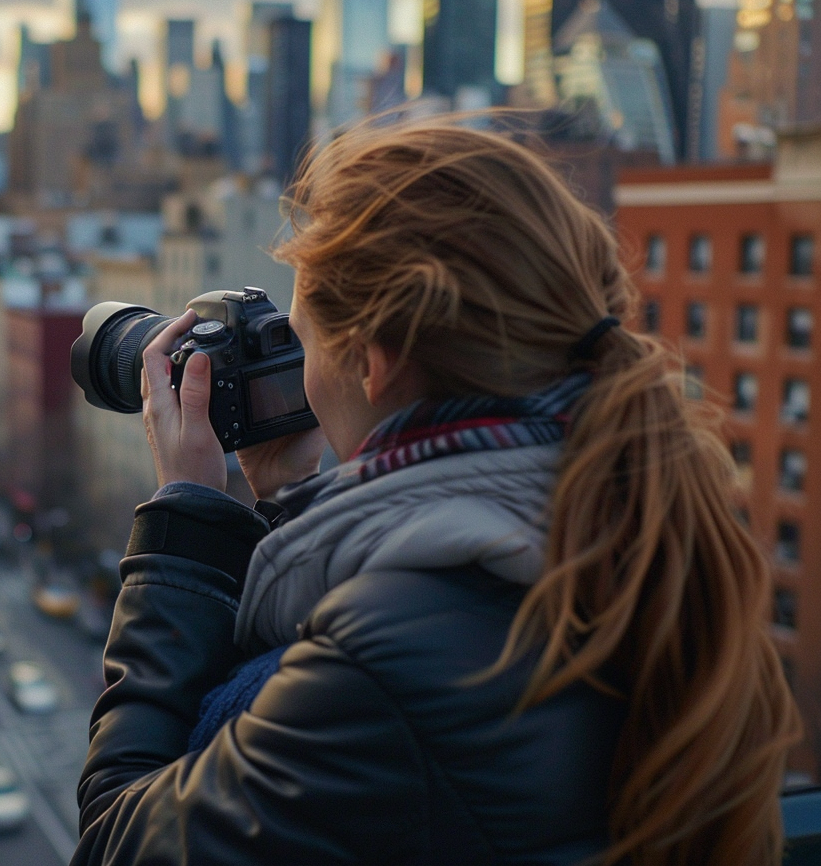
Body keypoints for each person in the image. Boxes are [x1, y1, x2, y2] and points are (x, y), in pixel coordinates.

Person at [72, 121, 802, 865]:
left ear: (376, 361)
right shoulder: (630, 529)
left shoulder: (385, 668)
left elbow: (116, 843)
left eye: (305, 339)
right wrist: (289, 492)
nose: (301, 373)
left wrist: (188, 524)